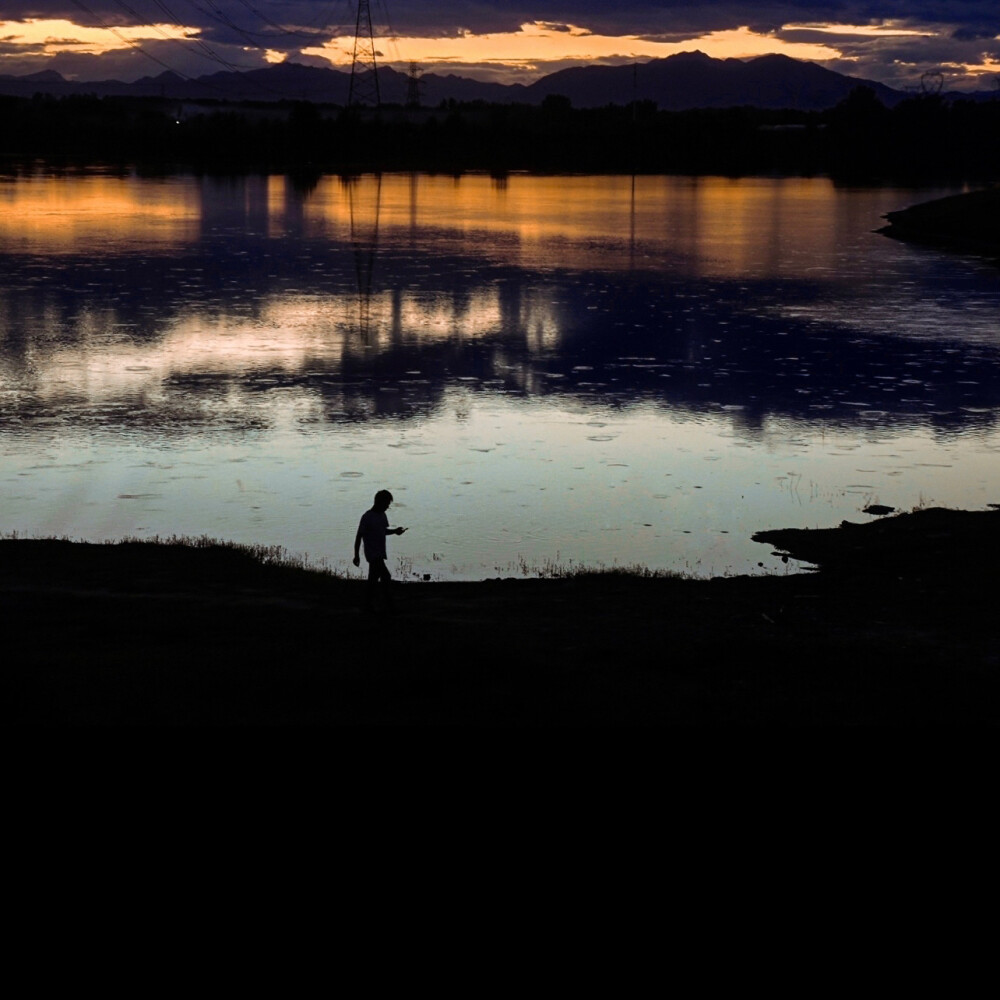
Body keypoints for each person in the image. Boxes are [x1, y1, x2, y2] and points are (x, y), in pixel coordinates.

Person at [353, 489, 407, 610]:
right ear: (379, 502)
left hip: (380, 552)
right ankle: (389, 604)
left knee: (373, 579)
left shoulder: (382, 516)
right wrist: (356, 555)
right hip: (372, 554)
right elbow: (359, 536)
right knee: (385, 576)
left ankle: (369, 604)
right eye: (387, 503)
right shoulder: (367, 517)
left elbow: (383, 531)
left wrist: (395, 531)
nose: (388, 507)